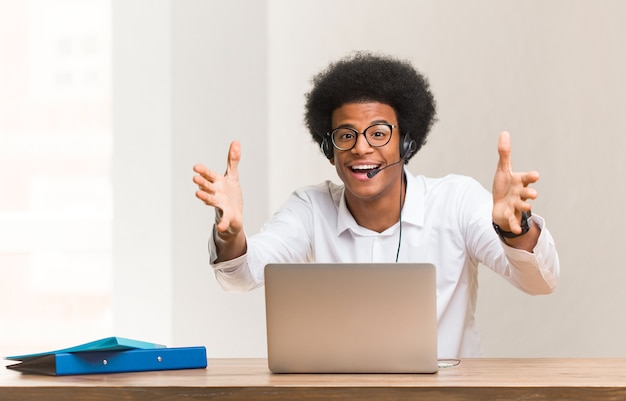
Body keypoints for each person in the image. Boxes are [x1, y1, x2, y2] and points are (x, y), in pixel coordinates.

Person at [192, 51, 559, 358]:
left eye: (379, 133)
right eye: (345, 135)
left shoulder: (455, 201)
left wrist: (516, 230)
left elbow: (541, 282)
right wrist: (231, 234)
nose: (362, 148)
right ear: (328, 148)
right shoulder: (309, 208)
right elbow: (241, 276)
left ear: (406, 143)